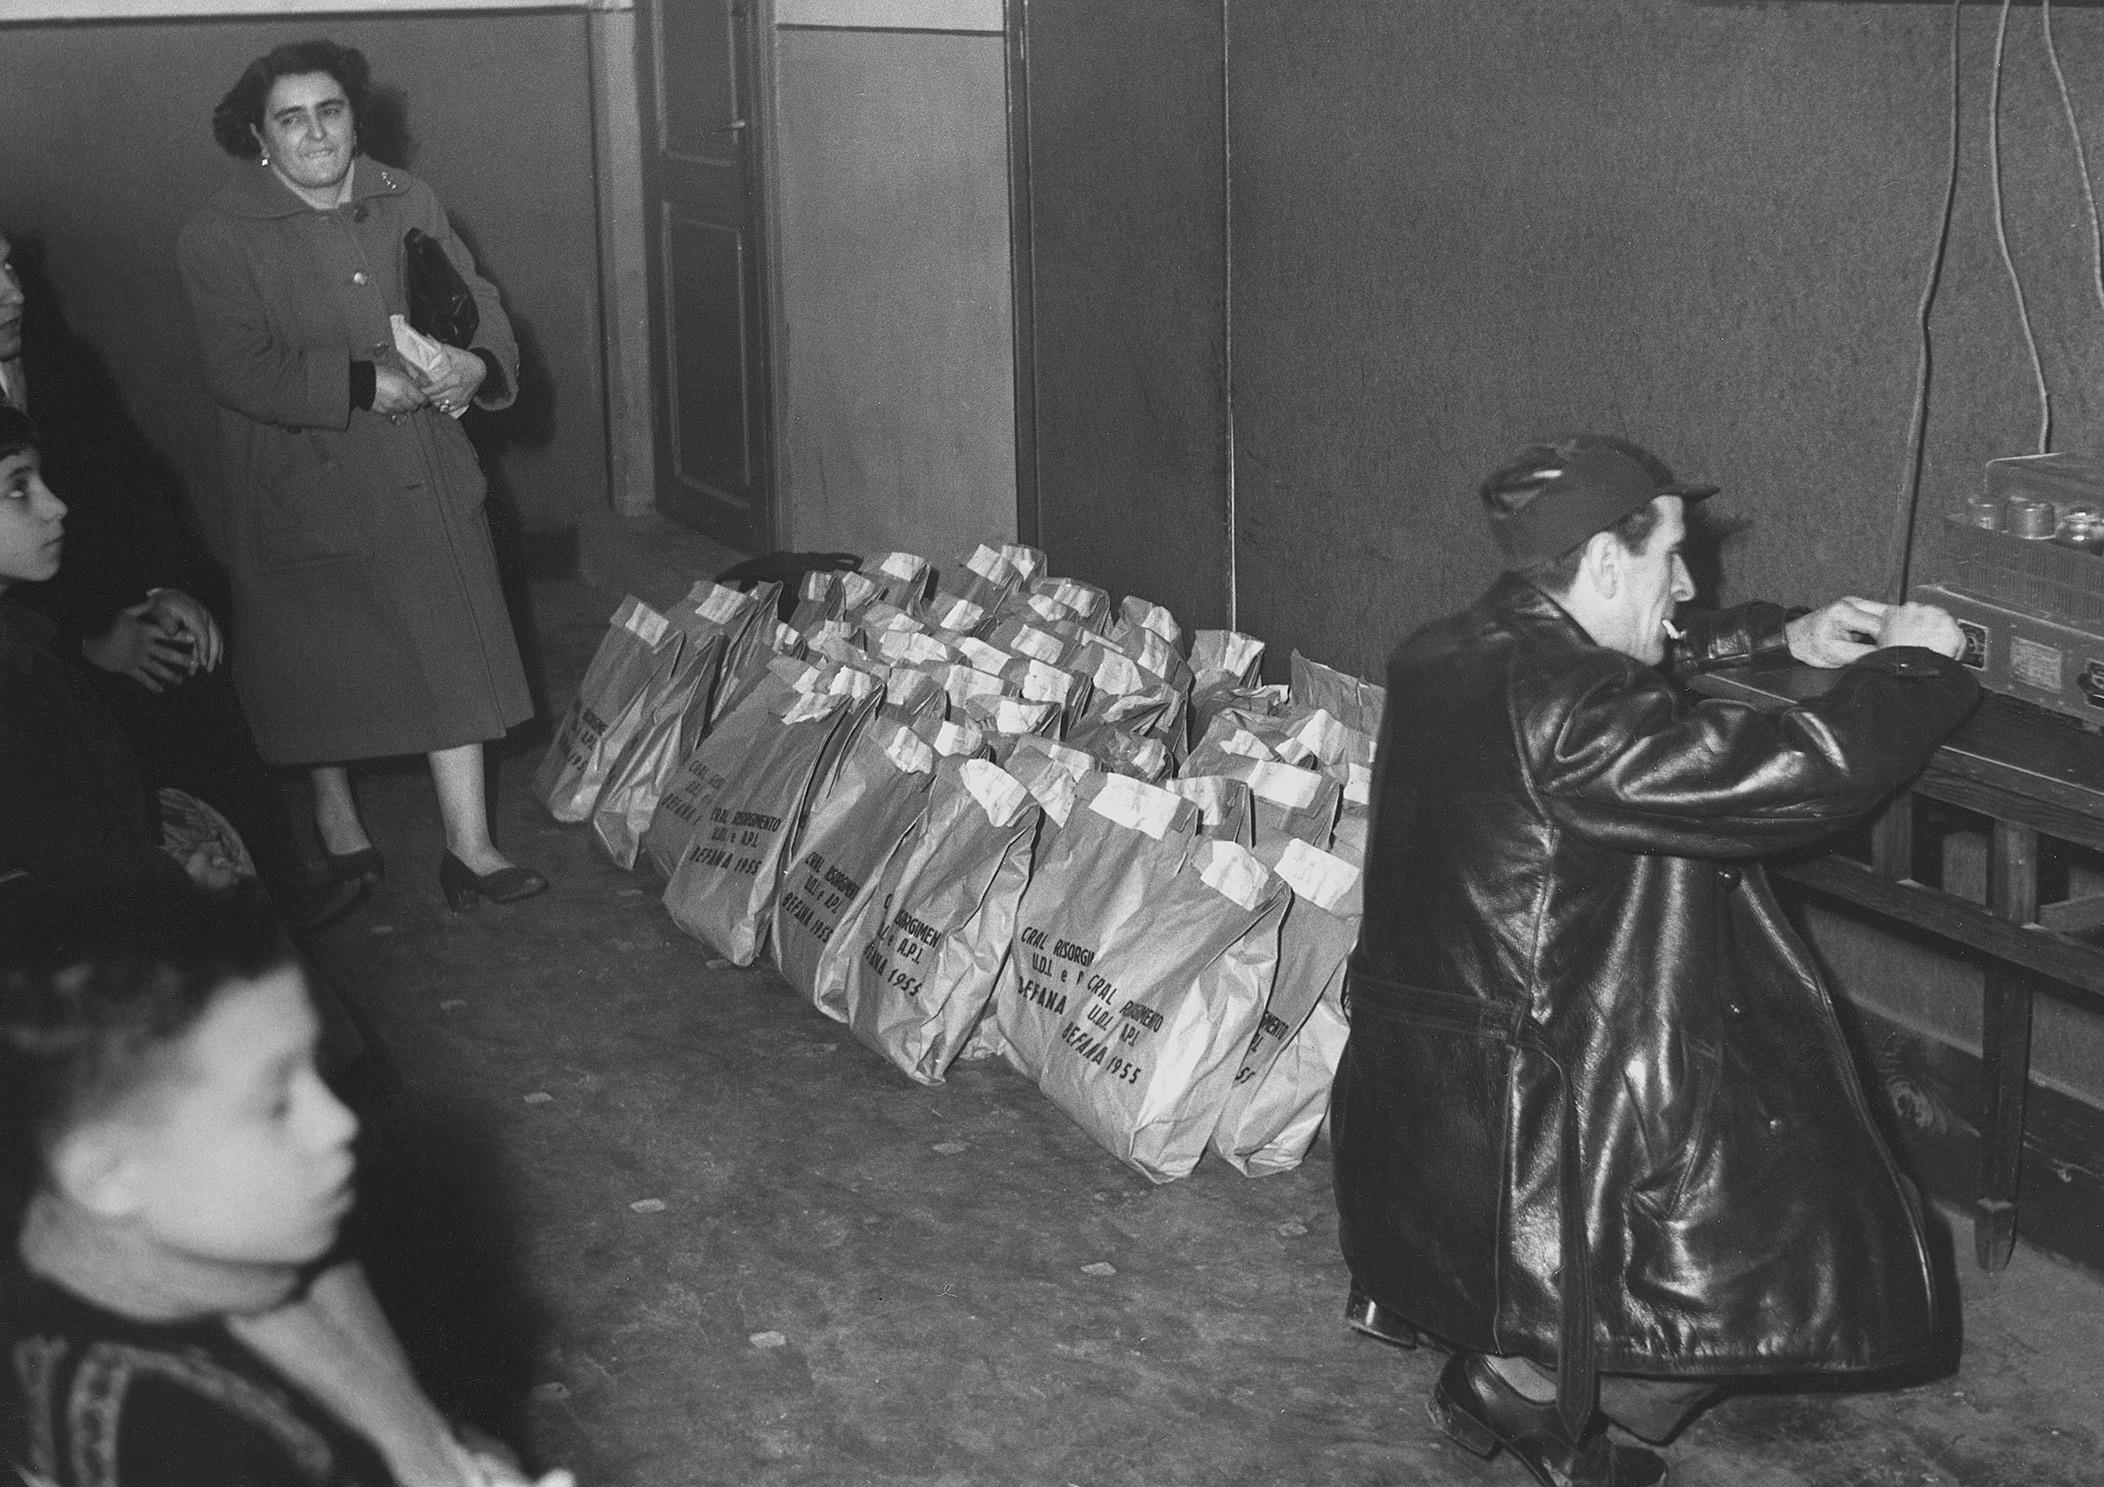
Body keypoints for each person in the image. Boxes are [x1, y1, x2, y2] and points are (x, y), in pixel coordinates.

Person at [1331, 434, 1979, 1487]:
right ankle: (1553, 1389)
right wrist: (1916, 667)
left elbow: (1620, 658)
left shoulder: (1448, 650)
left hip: (1455, 1070)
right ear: (1600, 562)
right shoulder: (1571, 713)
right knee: (1786, 1204)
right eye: (1671, 558)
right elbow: (1786, 776)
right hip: (1543, 1099)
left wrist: (1775, 633)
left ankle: (1510, 1374)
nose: (1688, 581)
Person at [0, 879, 574, 1487]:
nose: (340, 1121)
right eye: (276, 1104)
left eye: (318, 1069)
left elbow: (399, 1405)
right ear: (110, 1176)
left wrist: (455, 1456)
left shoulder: (233, 1226)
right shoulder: (171, 1437)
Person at [177, 39, 547, 911]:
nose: (315, 134)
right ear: (259, 137)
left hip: (420, 459)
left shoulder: (407, 196)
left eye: (331, 111)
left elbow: (479, 307)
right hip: (304, 466)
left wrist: (475, 366)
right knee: (320, 658)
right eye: (291, 119)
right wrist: (354, 383)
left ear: (355, 118)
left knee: (452, 635)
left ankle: (471, 846)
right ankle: (336, 816)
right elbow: (237, 366)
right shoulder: (216, 235)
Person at [0, 228, 361, 932]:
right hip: (32, 639)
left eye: (8, 267)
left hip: (79, 589)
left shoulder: (58, 362)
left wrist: (167, 586)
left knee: (195, 645)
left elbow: (133, 486)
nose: (13, 294)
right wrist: (88, 641)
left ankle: (268, 890)